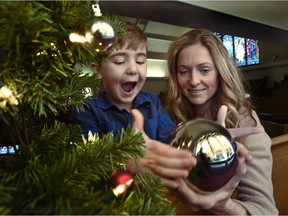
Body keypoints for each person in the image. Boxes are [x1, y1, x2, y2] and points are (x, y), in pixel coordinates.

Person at [164, 29, 278, 215]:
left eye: (204, 70)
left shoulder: (243, 121)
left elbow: (265, 210)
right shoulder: (171, 117)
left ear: (220, 72)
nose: (193, 81)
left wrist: (224, 205)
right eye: (184, 71)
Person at [73, 21, 196, 188]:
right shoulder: (87, 109)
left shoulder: (152, 102)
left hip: (157, 192)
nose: (133, 69)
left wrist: (199, 136)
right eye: (119, 61)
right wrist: (126, 164)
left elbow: (173, 136)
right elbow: (87, 163)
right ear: (97, 69)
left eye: (140, 61)